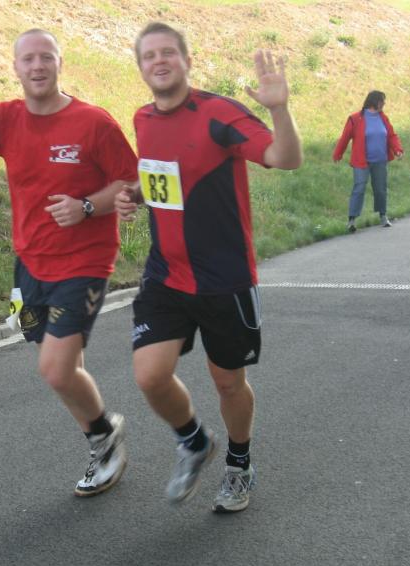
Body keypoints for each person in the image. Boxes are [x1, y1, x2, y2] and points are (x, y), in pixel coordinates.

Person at [0, 29, 138, 497]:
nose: (37, 66)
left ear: (60, 63)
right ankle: (101, 437)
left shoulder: (93, 122)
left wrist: (85, 207)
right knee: (54, 359)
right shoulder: (5, 119)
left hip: (84, 263)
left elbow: (130, 183)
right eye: (28, 59)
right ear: (16, 68)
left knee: (56, 370)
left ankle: (104, 437)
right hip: (29, 265)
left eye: (46, 57)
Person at [115, 22, 302, 512]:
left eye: (168, 53)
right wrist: (134, 193)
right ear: (141, 68)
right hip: (166, 274)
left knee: (227, 382)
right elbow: (161, 173)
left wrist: (279, 110)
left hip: (224, 280)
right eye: (149, 55)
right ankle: (195, 441)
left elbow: (285, 158)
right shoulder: (142, 118)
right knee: (150, 375)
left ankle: (239, 464)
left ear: (187, 61)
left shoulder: (220, 113)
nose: (159, 61)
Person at [333, 90, 404, 232]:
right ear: (374, 102)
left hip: (380, 161)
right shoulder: (355, 119)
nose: (384, 103)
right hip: (361, 161)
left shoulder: (383, 118)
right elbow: (345, 137)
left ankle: (383, 216)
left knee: (380, 189)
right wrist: (338, 153)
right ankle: (352, 220)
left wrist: (398, 150)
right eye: (382, 101)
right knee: (359, 188)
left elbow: (391, 136)